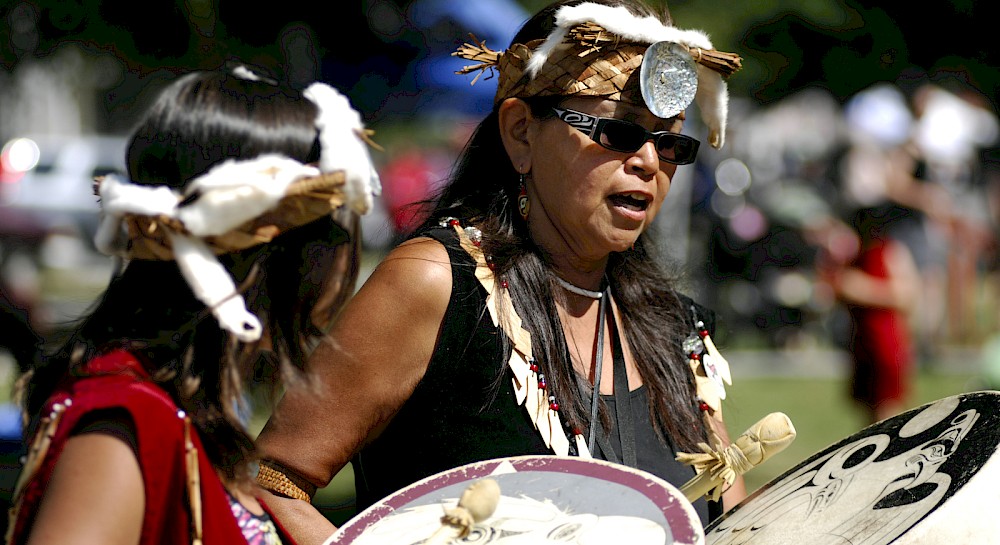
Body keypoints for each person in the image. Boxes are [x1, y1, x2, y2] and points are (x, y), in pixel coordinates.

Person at [254, 1, 747, 543]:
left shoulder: (674, 326)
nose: (650, 162)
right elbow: (269, 485)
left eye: (671, 142)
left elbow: (731, 519)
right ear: (520, 133)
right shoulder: (435, 284)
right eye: (620, 133)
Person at [4, 65, 380, 545]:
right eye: (344, 227)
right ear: (271, 250)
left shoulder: (185, 412)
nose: (348, 258)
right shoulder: (124, 426)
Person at [817, 205, 921, 424]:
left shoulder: (888, 251)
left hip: (886, 344)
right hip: (863, 343)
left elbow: (907, 295)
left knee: (888, 418)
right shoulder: (852, 257)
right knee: (869, 421)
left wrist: (863, 290)